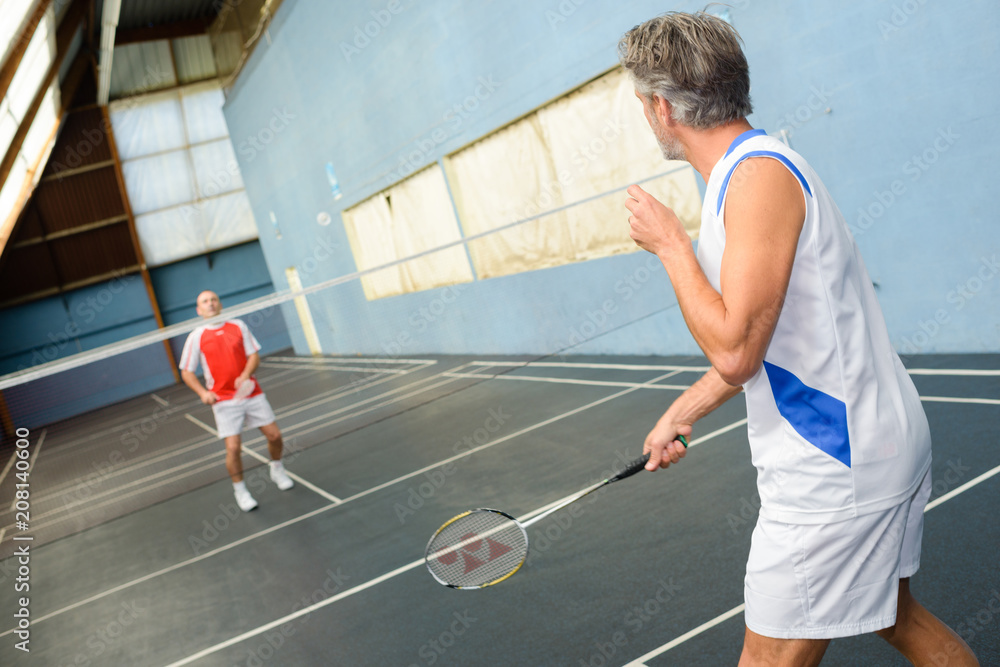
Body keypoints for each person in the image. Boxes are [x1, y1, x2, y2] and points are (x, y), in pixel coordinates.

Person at [618, 12, 977, 666]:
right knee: (899, 618)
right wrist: (681, 412)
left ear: (662, 107)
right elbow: (764, 340)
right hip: (869, 445)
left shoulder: (755, 181)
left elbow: (735, 349)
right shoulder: (755, 171)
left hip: (835, 469)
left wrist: (671, 246)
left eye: (643, 102)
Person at [179, 290, 294, 511]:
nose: (210, 304)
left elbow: (254, 355)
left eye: (213, 300)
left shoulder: (238, 326)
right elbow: (187, 372)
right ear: (199, 310)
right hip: (223, 401)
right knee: (233, 449)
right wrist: (203, 393)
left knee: (275, 435)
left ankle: (277, 468)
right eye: (205, 301)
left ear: (220, 304)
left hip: (251, 392)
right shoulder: (197, 336)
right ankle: (240, 491)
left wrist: (245, 374)